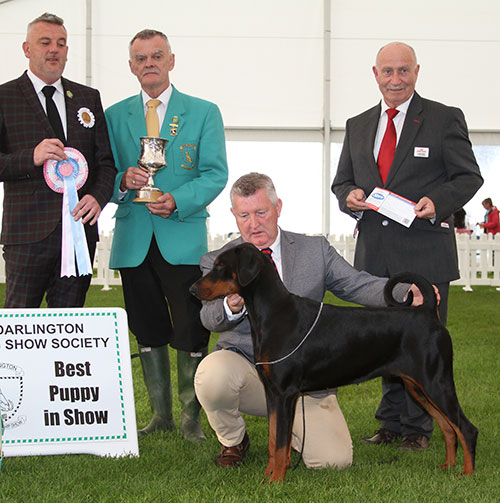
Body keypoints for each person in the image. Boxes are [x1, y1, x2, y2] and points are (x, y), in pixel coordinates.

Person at [194, 172, 427, 470]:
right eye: (244, 215)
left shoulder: (313, 250)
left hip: (305, 380)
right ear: (233, 215)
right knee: (212, 375)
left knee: (333, 461)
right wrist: (232, 303)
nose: (253, 223)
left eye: (261, 212)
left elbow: (358, 284)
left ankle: (292, 430)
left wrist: (406, 292)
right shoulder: (219, 260)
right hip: (247, 373)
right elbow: (208, 318)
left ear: (278, 207)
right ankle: (234, 440)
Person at [332, 41, 483, 451]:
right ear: (375, 74)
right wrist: (349, 197)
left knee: (421, 345)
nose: (395, 79)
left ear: (416, 71)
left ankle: (419, 428)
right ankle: (391, 423)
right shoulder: (357, 123)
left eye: (403, 71)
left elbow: (469, 177)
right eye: (387, 71)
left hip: (424, 254)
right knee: (382, 342)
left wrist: (439, 204)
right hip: (376, 256)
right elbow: (342, 181)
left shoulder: (443, 118)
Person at [105, 29, 228, 441]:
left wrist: (178, 199)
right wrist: (123, 179)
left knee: (191, 328)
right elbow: (102, 174)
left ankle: (191, 416)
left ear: (171, 61)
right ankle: (161, 415)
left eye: (157, 56)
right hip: (134, 238)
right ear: (131, 66)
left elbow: (215, 173)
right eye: (140, 58)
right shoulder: (113, 115)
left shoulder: (204, 111)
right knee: (146, 326)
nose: (149, 63)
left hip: (182, 236)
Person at [0, 12, 116, 308]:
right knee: (19, 326)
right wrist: (31, 157)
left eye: (61, 43)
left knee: (69, 325)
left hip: (79, 233)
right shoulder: (5, 96)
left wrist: (98, 198)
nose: (54, 49)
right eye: (45, 42)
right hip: (26, 236)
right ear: (27, 49)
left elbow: (105, 162)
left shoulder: (88, 97)